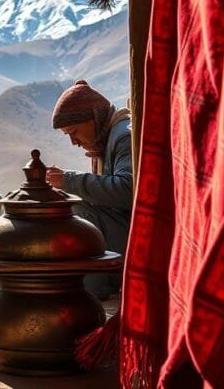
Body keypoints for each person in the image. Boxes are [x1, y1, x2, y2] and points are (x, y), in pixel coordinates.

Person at [45, 80, 132, 298]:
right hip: (122, 227)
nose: (74, 142)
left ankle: (90, 293)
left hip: (137, 235)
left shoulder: (123, 136)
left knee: (78, 213)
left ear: (94, 116)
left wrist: (69, 180)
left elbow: (127, 190)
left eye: (74, 132)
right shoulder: (107, 139)